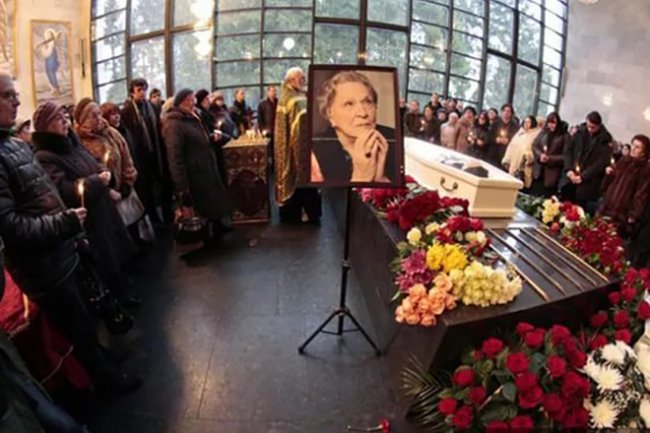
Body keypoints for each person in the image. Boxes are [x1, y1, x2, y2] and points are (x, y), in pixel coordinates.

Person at [0, 72, 140, 394]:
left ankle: (102, 362)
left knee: (86, 321)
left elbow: (44, 195)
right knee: (75, 328)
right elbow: (10, 226)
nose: (17, 101)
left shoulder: (15, 146)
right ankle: (104, 381)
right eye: (8, 95)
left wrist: (69, 226)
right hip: (44, 266)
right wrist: (65, 222)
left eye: (15, 94)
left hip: (62, 251)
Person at [162, 89, 232, 237]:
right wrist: (182, 186)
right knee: (201, 207)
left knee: (212, 202)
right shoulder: (174, 124)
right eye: (190, 100)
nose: (193, 103)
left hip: (205, 167)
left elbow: (198, 138)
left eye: (193, 99)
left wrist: (210, 137)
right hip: (194, 173)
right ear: (181, 103)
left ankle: (217, 229)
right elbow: (174, 156)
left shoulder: (192, 117)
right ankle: (204, 237)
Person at [311, 70, 395, 184]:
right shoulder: (314, 153)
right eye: (349, 104)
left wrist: (380, 179)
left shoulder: (394, 139)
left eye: (368, 102)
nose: (363, 113)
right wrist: (361, 177)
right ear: (329, 113)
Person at [121, 78, 173, 228]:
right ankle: (153, 220)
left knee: (162, 185)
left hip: (155, 152)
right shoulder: (126, 112)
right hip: (140, 156)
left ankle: (167, 218)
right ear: (132, 92)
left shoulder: (152, 107)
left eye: (144, 89)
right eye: (139, 90)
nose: (142, 92)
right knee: (145, 190)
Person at [274, 67, 322, 224]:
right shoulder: (289, 99)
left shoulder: (298, 95)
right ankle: (299, 213)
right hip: (296, 147)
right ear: (292, 79)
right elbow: (294, 127)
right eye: (301, 78)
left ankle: (307, 212)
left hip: (304, 145)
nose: (304, 80)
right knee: (300, 179)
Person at [561, 111, 613, 214]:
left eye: (593, 127)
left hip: (588, 184)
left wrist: (583, 176)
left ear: (599, 126)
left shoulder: (605, 140)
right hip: (570, 179)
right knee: (564, 209)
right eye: (588, 126)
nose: (590, 129)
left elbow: (601, 163)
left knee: (579, 213)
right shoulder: (579, 133)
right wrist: (569, 170)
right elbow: (568, 151)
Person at [599, 134, 650, 236]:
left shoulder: (645, 170)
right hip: (606, 206)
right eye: (633, 145)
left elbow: (641, 194)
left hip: (621, 214)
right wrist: (609, 175)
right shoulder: (624, 160)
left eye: (637, 147)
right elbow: (612, 181)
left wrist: (633, 215)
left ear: (644, 152)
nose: (633, 149)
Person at [195, 89, 229, 185]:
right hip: (211, 145)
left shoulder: (206, 112)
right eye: (207, 99)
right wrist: (215, 132)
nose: (209, 101)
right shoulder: (201, 113)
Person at [530, 112, 567, 197]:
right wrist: (540, 155)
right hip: (539, 170)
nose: (551, 125)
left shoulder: (564, 136)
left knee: (547, 196)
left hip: (552, 172)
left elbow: (565, 156)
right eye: (550, 123)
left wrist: (550, 159)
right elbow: (535, 145)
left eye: (554, 123)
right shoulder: (544, 132)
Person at [501, 116, 540, 189]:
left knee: (523, 184)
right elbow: (511, 146)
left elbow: (536, 149)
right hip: (514, 162)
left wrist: (529, 157)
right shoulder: (519, 133)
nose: (526, 124)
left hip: (525, 165)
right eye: (525, 122)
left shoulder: (536, 135)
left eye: (528, 122)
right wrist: (507, 159)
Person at [35, 28, 61, 96]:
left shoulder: (51, 43)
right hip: (49, 61)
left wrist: (43, 48)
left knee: (51, 73)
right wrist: (43, 47)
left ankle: (56, 88)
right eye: (47, 35)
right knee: (49, 73)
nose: (48, 36)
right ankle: (54, 88)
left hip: (51, 61)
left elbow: (48, 53)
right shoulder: (48, 43)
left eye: (50, 35)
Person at [258, 85, 278, 165]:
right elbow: (260, 119)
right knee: (268, 151)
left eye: (275, 91)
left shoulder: (279, 103)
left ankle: (276, 166)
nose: (274, 93)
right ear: (268, 92)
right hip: (268, 131)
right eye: (272, 91)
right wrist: (262, 131)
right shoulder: (262, 104)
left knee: (277, 151)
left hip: (278, 130)